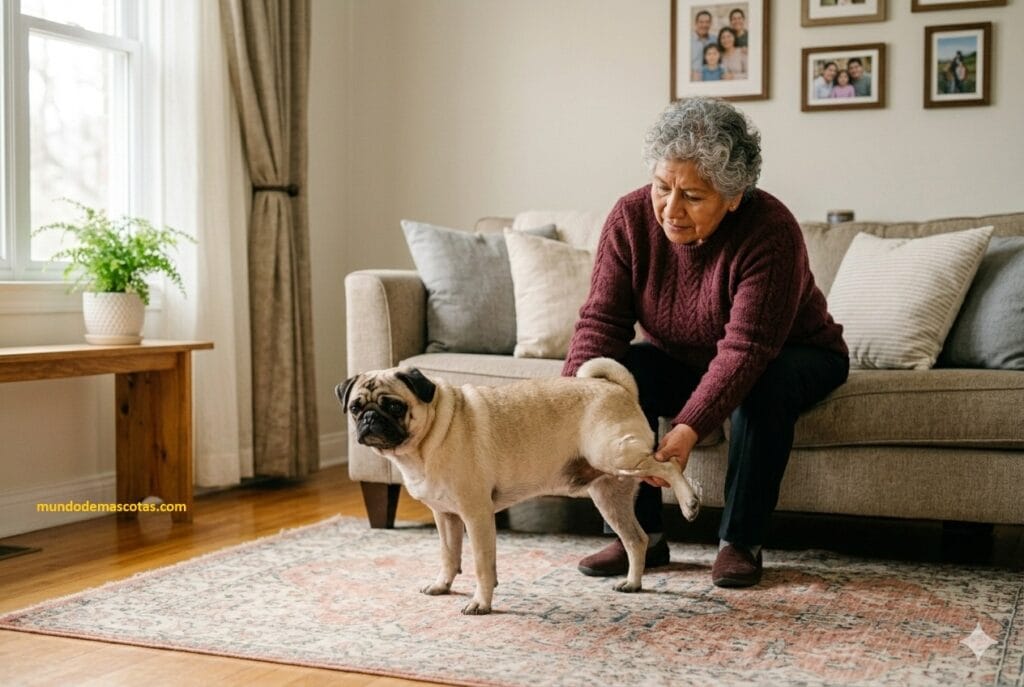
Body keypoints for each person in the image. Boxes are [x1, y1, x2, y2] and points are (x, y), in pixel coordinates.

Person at [564, 97, 849, 588]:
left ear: (734, 196)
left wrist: (688, 429)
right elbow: (602, 322)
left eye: (693, 196)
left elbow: (747, 350)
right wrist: (567, 409)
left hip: (795, 354)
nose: (670, 210)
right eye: (662, 187)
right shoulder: (630, 218)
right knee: (621, 372)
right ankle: (640, 537)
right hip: (684, 357)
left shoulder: (771, 230)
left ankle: (740, 541)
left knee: (766, 383)